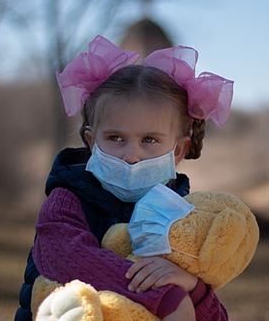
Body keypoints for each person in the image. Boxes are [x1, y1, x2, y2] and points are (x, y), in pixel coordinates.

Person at [15, 35, 233, 321]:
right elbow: (67, 258)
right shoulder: (66, 199)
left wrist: (192, 287)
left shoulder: (183, 218)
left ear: (178, 149)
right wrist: (166, 296)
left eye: (149, 140)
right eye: (115, 138)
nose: (132, 155)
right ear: (92, 143)